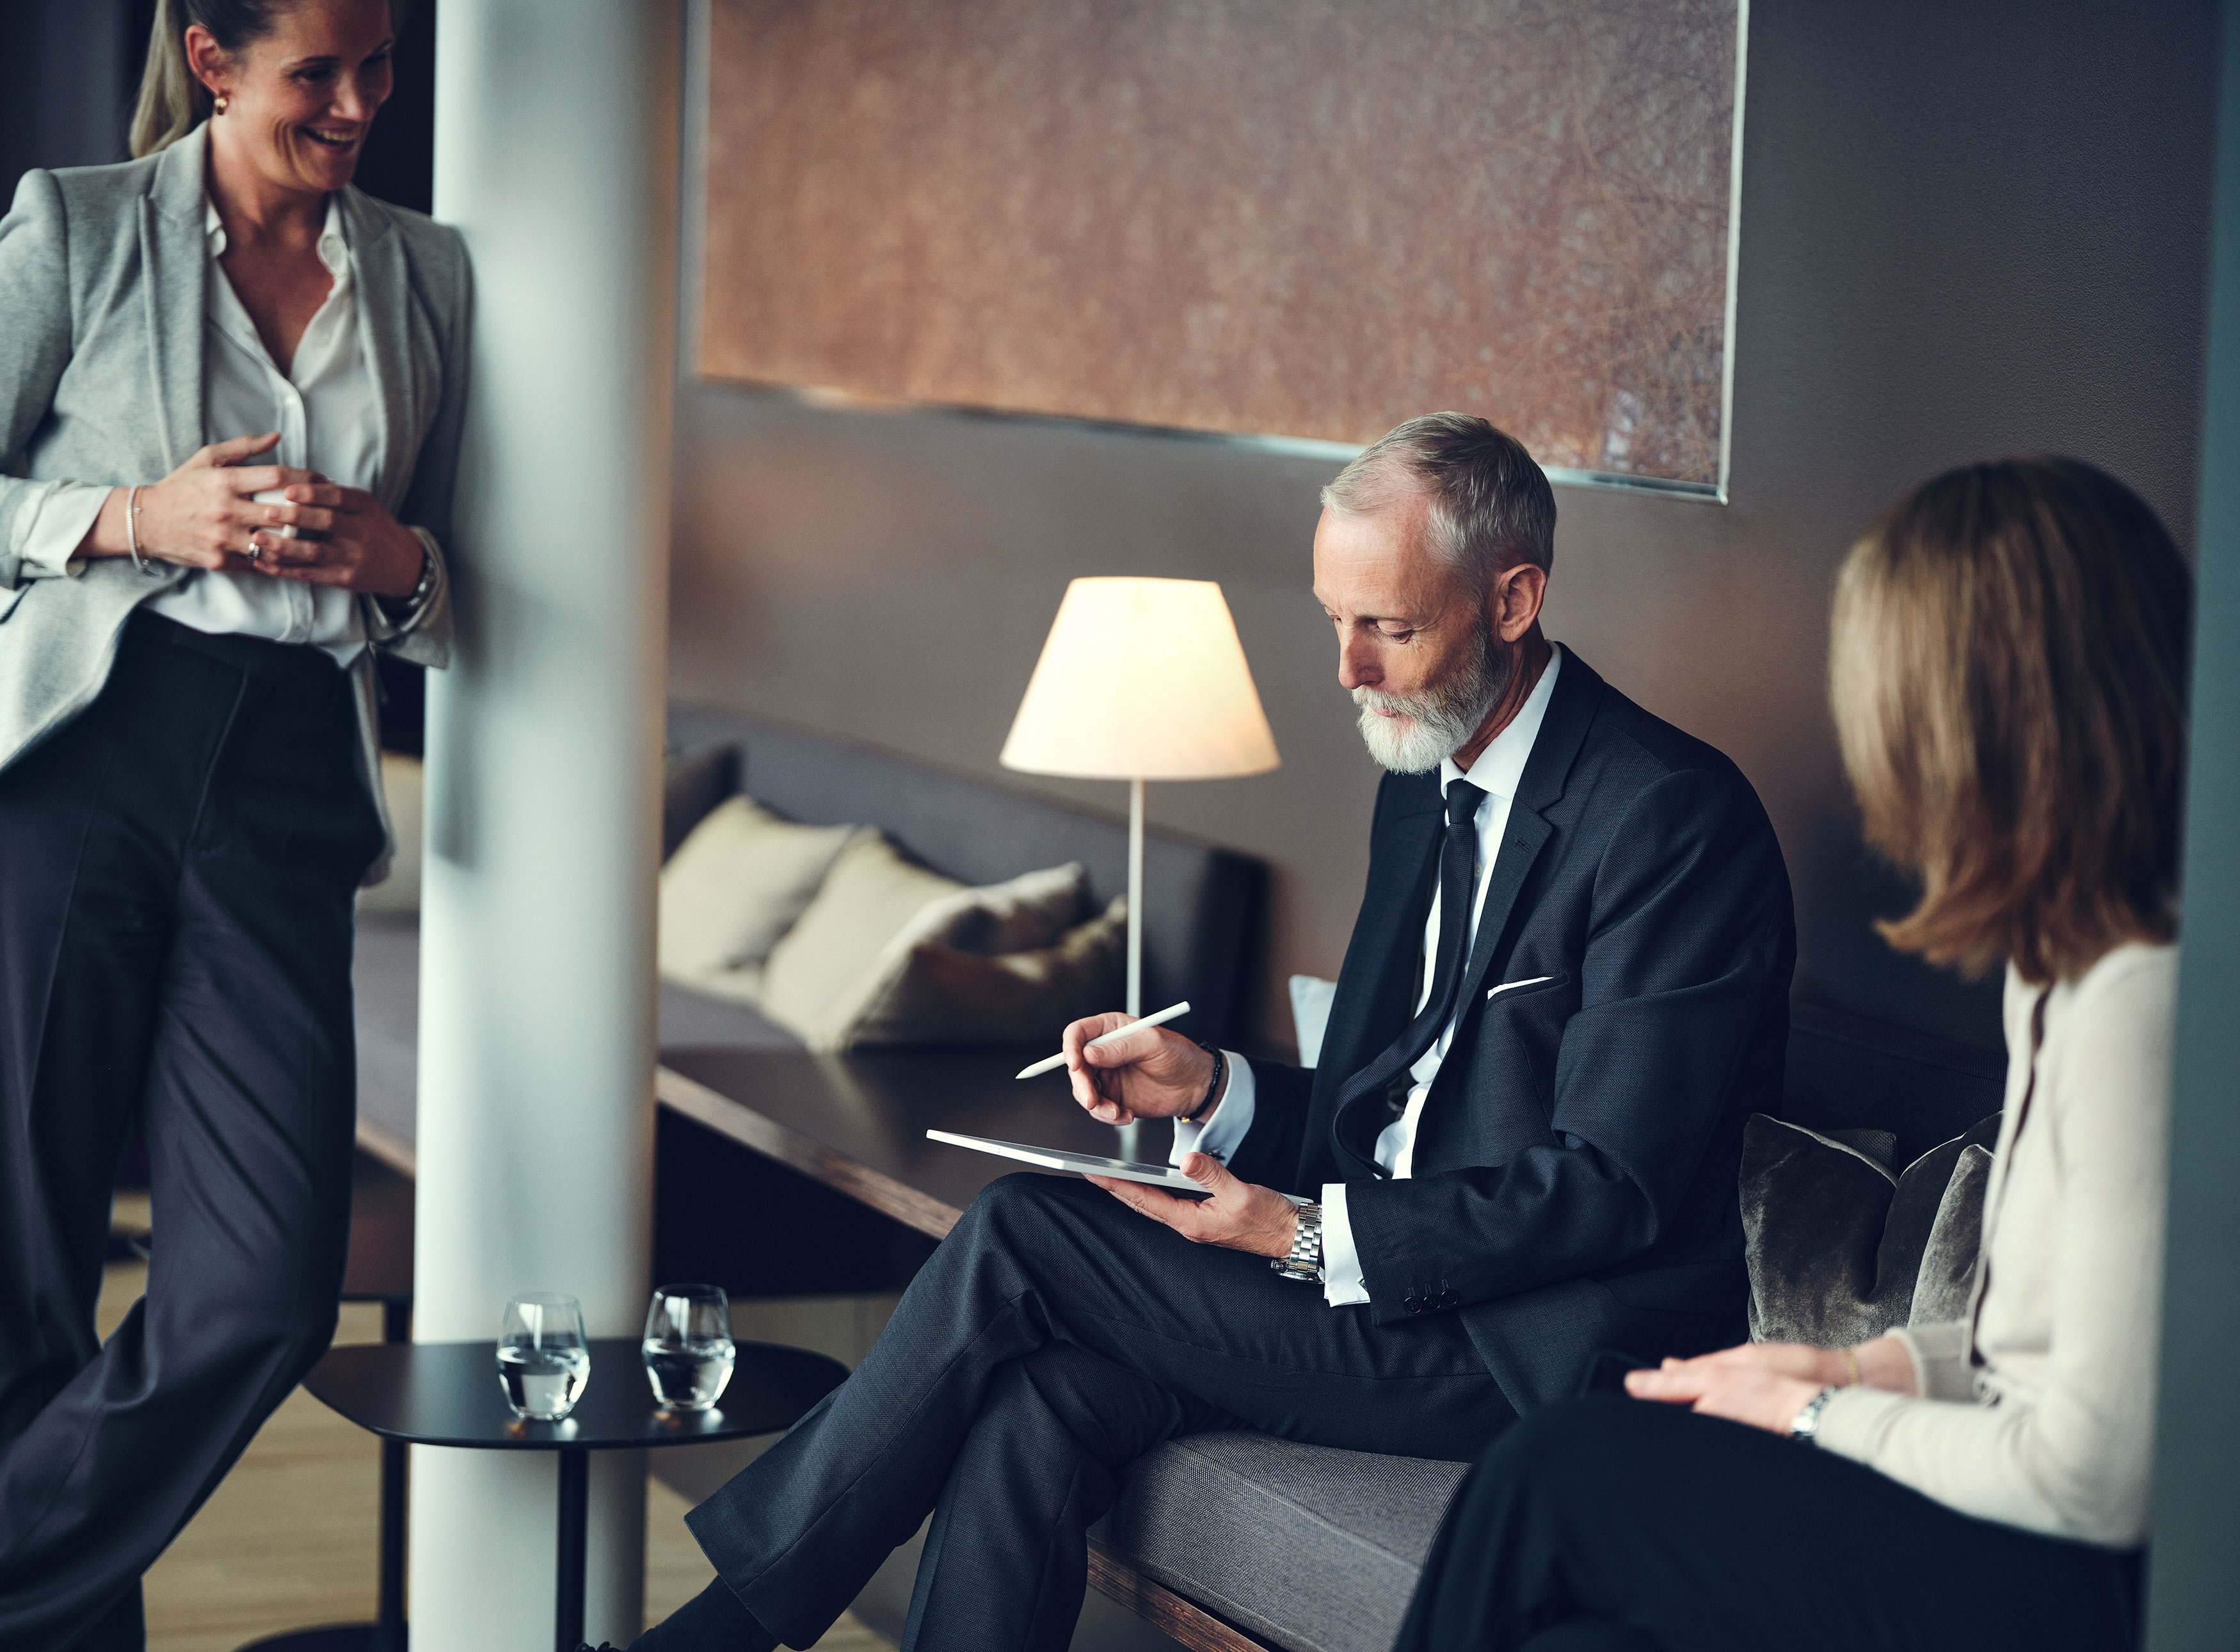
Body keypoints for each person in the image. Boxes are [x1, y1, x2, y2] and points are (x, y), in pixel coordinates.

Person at [626, 414, 1795, 1652]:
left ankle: (717, 1633)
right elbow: (1385, 1102)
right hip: (1384, 1285)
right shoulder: (1422, 774)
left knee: (1024, 1231)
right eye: (1333, 621)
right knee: (1042, 1400)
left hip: (1527, 1346)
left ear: (1514, 600)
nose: (1348, 669)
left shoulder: (1671, 821)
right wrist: (1217, 1089)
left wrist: (1297, 1230)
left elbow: (1611, 1188)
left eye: (1388, 627)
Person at [1392, 456, 2188, 1652]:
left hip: (2102, 1583)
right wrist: (1857, 1362)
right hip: (2026, 1513)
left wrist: (1815, 1412)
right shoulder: (2062, 960)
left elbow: (2096, 1475)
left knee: (1551, 1472)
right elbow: (2051, 1351)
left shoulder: (2143, 1004)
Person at [0, 0, 465, 1644]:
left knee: (262, 1291)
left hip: (284, 778)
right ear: (210, 59)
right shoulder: (76, 223)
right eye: (314, 74)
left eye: (380, 67)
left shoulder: (428, 270)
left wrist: (393, 566)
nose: (357, 105)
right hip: (75, 763)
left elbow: (460, 562)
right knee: (23, 1278)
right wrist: (139, 513)